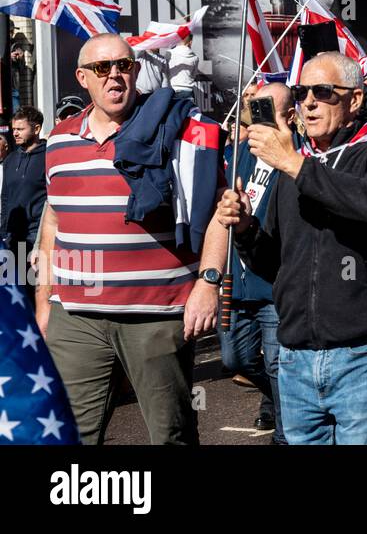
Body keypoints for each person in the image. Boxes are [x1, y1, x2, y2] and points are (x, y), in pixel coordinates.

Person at [34, 33, 226, 444]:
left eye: (124, 65)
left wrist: (208, 284)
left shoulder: (179, 129)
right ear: (83, 77)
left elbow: (218, 214)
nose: (115, 75)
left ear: (137, 70)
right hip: (76, 317)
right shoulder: (58, 140)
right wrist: (45, 303)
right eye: (103, 68)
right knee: (66, 434)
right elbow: (52, 222)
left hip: (156, 314)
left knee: (170, 433)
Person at [214, 52, 367, 444]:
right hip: (295, 355)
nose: (309, 102)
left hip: (361, 355)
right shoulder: (295, 165)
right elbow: (273, 263)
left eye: (323, 92)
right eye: (303, 92)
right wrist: (247, 228)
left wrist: (295, 165)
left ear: (354, 100)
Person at [221, 83, 294, 442]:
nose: (254, 106)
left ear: (288, 115)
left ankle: (284, 434)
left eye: (265, 104)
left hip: (274, 281)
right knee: (238, 360)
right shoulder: (239, 153)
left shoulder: (297, 157)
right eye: (252, 101)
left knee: (279, 365)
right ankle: (276, 396)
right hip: (238, 280)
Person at [2, 105, 46, 302]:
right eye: (14, 129)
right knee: (16, 297)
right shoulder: (10, 160)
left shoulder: (49, 157)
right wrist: (4, 232)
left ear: (36, 129)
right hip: (12, 239)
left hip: (37, 239)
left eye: (20, 129)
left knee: (36, 294)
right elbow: (5, 198)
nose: (15, 133)